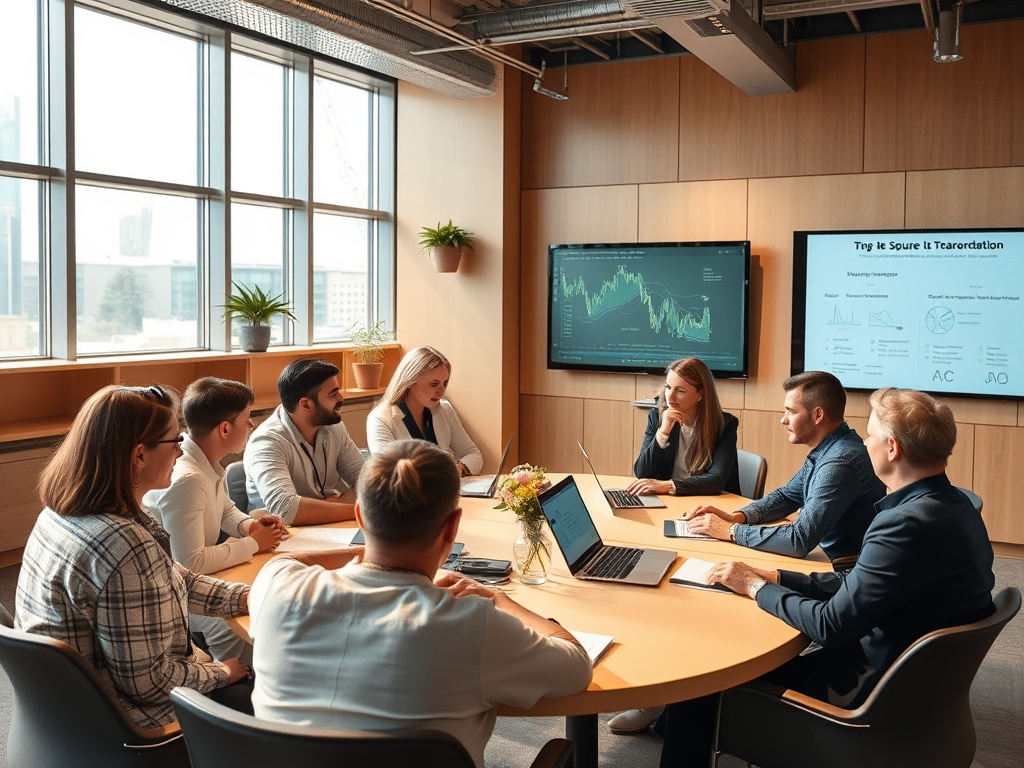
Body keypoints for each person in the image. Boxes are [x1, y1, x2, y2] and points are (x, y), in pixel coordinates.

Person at [658, 387, 996, 767]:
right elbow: (865, 583)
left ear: (892, 449)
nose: (863, 443)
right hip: (915, 688)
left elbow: (832, 625)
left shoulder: (901, 525)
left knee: (703, 681)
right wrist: (774, 575)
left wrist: (755, 587)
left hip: (864, 696)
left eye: (870, 435)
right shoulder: (956, 507)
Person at [248, 440, 593, 768]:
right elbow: (577, 666)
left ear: (360, 517)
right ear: (452, 527)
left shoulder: (275, 586)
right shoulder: (472, 626)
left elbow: (290, 561)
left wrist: (365, 550)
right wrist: (498, 599)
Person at [15, 385, 253, 728]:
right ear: (139, 455)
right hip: (133, 726)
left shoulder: (64, 513)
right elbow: (151, 683)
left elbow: (175, 577)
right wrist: (221, 672)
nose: (181, 451)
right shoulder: (125, 546)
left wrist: (248, 596)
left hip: (66, 715)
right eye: (175, 441)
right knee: (269, 705)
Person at [145, 377, 287, 663]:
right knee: (245, 626)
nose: (251, 427)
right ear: (224, 429)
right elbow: (189, 563)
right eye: (247, 421)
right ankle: (231, 685)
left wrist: (251, 526)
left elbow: (225, 510)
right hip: (177, 595)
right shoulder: (187, 479)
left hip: (202, 578)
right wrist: (252, 544)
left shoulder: (205, 456)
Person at [684, 370, 885, 561]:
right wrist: (736, 517)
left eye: (791, 411)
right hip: (822, 558)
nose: (783, 419)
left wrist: (729, 530)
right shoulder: (831, 447)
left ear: (817, 415)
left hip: (837, 570)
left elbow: (798, 540)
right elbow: (787, 496)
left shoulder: (840, 462)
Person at [244, 358, 366, 525]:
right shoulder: (267, 442)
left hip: (331, 525)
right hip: (280, 536)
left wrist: (332, 506)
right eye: (333, 394)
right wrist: (357, 509)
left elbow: (369, 478)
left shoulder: (334, 428)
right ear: (306, 405)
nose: (341, 398)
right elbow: (286, 511)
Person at [628, 357, 740, 497]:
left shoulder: (725, 424)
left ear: (701, 394)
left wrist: (668, 485)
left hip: (711, 505)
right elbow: (642, 473)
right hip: (671, 500)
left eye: (680, 391)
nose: (670, 397)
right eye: (668, 387)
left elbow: (716, 481)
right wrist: (663, 433)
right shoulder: (658, 417)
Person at [366, 346, 482, 476]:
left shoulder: (445, 409)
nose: (441, 391)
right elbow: (391, 473)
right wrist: (445, 472)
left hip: (449, 492)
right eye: (434, 384)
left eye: (445, 383)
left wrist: (460, 468)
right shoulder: (380, 419)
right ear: (409, 381)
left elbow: (473, 454)